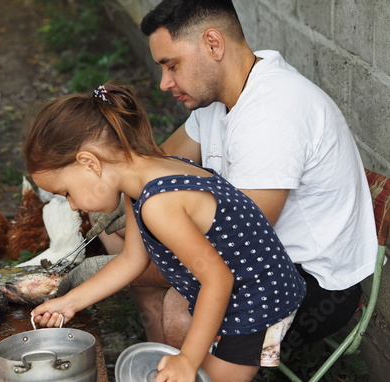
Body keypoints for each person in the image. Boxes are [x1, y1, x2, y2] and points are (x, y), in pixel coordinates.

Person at [60, 0, 378, 353]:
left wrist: (116, 268)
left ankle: (187, 366)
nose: (165, 83)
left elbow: (241, 246)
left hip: (310, 284)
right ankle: (158, 362)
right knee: (125, 236)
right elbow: (155, 164)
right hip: (260, 258)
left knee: (178, 310)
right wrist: (117, 195)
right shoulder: (218, 99)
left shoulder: (275, 114)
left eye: (172, 65)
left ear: (214, 44)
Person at [26, 82, 306, 382]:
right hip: (232, 290)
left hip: (256, 298)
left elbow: (218, 279)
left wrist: (186, 360)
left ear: (89, 163)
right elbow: (132, 260)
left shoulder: (159, 203)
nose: (71, 206)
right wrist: (70, 302)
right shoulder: (144, 180)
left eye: (67, 192)